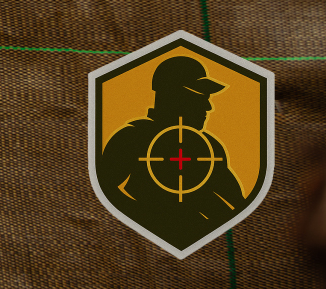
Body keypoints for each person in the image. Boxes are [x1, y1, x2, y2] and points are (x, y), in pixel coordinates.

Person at [97, 56, 251, 251]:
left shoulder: (209, 147)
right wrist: (152, 218)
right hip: (140, 248)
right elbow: (104, 191)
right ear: (172, 94)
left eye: (208, 97)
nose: (209, 107)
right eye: (200, 95)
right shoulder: (133, 137)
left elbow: (237, 204)